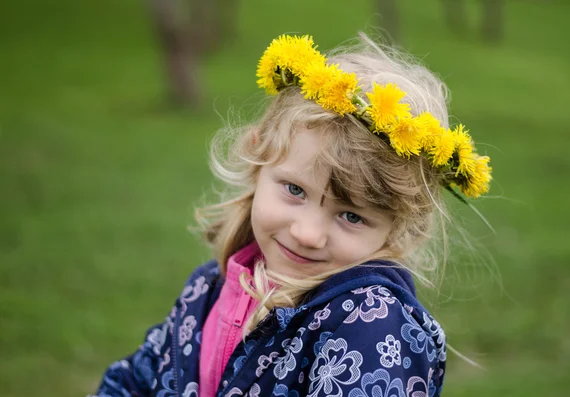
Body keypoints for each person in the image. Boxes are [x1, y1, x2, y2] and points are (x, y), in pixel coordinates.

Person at [94, 33, 492, 397]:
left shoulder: (370, 325)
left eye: (351, 216)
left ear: (401, 225)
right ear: (258, 158)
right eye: (295, 190)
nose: (307, 234)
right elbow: (135, 382)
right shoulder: (210, 289)